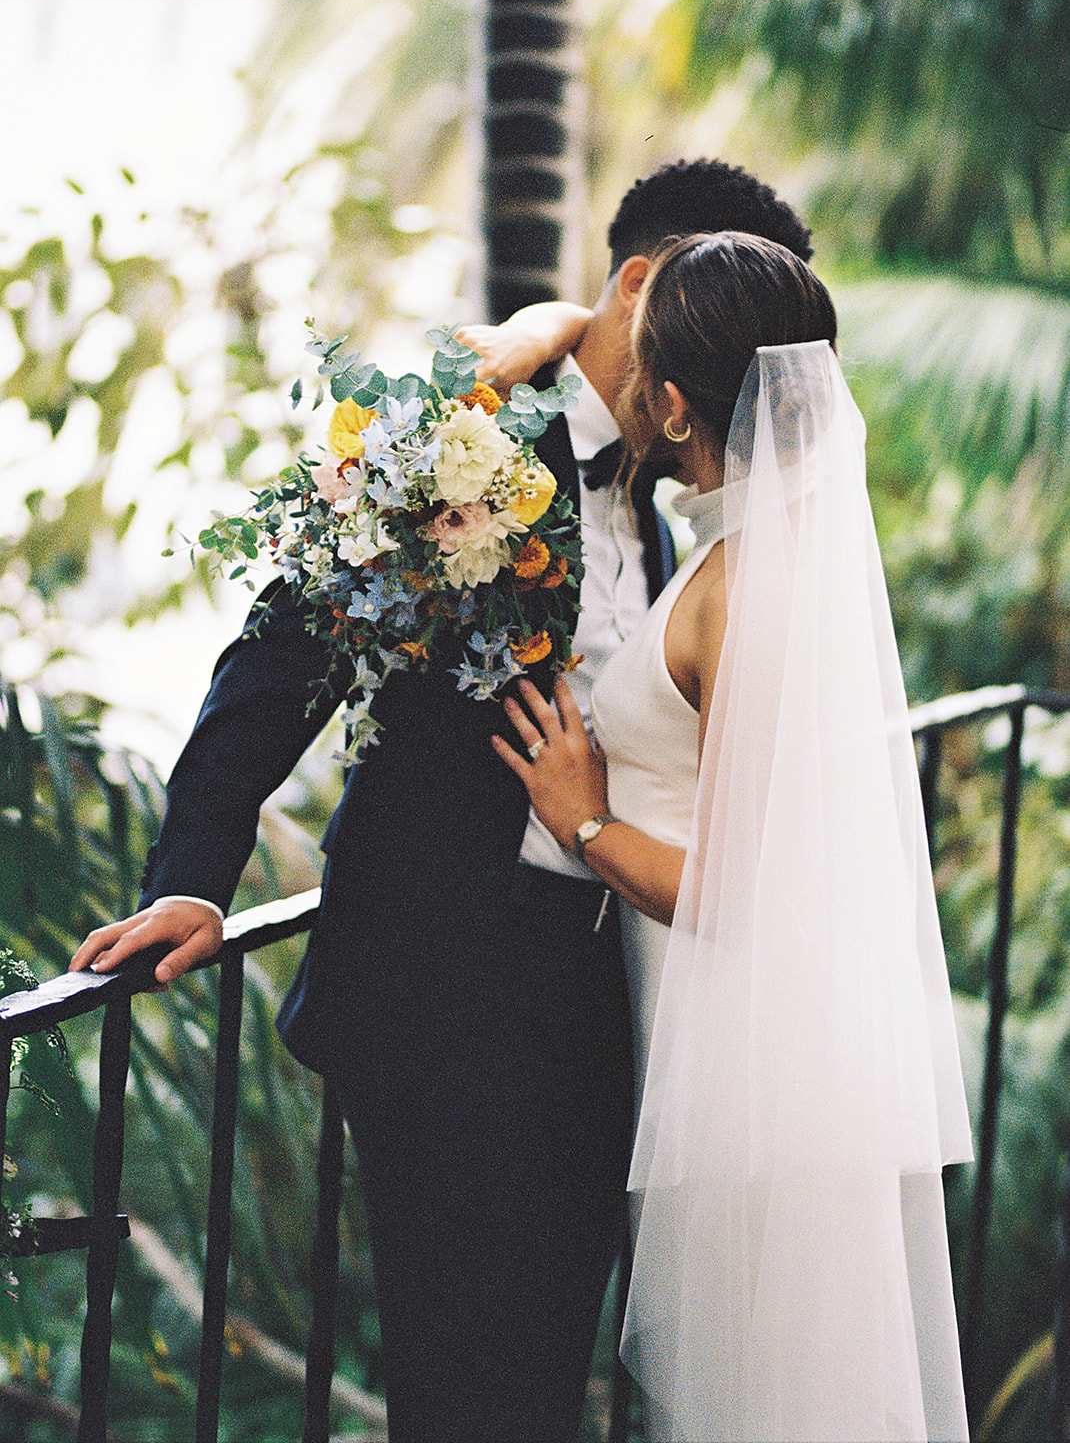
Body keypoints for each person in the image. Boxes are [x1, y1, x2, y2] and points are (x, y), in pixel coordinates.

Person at [70, 162, 816, 1443]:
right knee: (463, 1386)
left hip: (603, 1003)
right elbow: (280, 649)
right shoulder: (453, 431)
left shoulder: (677, 505)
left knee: (542, 1380)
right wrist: (192, 879)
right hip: (442, 995)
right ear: (637, 285)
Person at [494, 231, 973, 1443]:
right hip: (724, 1038)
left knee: (757, 1397)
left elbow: (756, 890)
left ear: (666, 401)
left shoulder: (744, 580)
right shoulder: (759, 553)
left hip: (747, 1051)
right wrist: (546, 322)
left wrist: (583, 819)